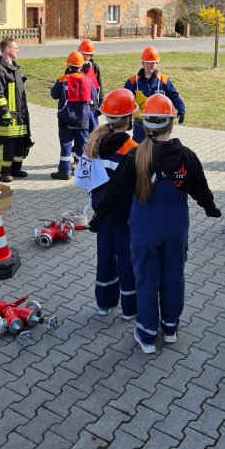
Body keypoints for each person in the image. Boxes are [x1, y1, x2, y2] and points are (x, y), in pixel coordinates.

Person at [89, 94, 221, 354]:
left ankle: (147, 336)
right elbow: (201, 190)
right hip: (176, 229)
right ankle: (170, 329)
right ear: (171, 123)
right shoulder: (187, 156)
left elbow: (114, 193)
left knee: (147, 280)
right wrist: (211, 209)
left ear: (145, 126)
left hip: (144, 230)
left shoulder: (136, 156)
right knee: (174, 278)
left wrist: (97, 220)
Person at [82, 89, 138, 319]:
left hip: (101, 214)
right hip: (124, 216)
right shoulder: (132, 149)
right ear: (128, 118)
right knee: (126, 259)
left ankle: (104, 303)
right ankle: (130, 307)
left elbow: (86, 179)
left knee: (104, 257)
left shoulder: (94, 144)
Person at [0, 37, 33, 183]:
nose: (18, 50)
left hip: (19, 117)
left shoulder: (15, 68)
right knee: (6, 146)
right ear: (8, 49)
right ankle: (3, 172)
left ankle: (15, 169)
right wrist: (5, 113)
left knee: (19, 145)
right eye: (16, 48)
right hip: (6, 118)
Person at [50, 51, 98, 180]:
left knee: (66, 144)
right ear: (81, 66)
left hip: (65, 119)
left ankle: (64, 171)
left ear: (68, 65)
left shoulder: (62, 79)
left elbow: (54, 95)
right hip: (83, 119)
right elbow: (94, 97)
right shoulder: (88, 80)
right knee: (82, 145)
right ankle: (82, 171)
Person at [124, 46, 186, 143]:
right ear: (143, 63)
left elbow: (174, 95)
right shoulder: (133, 81)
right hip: (140, 124)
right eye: (148, 62)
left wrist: (181, 108)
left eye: (153, 63)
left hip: (160, 124)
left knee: (159, 150)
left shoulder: (164, 80)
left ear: (157, 63)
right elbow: (125, 101)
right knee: (139, 150)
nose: (151, 65)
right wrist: (127, 120)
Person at [77, 39, 104, 133]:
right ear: (79, 53)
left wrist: (100, 103)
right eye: (84, 54)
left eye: (88, 55)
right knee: (81, 136)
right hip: (79, 107)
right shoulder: (74, 66)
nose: (86, 57)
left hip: (93, 107)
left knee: (94, 134)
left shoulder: (94, 66)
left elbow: (99, 86)